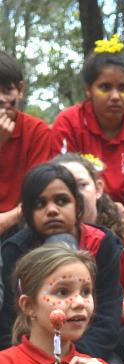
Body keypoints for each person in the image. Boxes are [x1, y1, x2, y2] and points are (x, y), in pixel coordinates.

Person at [0, 163, 124, 361]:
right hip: (33, 354)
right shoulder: (16, 250)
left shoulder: (102, 243)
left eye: (62, 200)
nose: (51, 210)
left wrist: (76, 359)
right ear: (27, 213)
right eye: (40, 204)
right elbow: (10, 320)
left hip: (91, 352)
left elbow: (108, 316)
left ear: (78, 206)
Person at [51, 48, 124, 224]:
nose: (115, 96)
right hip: (78, 211)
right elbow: (58, 179)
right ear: (89, 90)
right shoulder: (68, 123)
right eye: (105, 87)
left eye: (123, 88)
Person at [0, 51, 56, 236]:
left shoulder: (37, 131)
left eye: (8, 91)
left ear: (20, 90)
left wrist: (7, 220)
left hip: (22, 223)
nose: (1, 99)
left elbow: (39, 191)